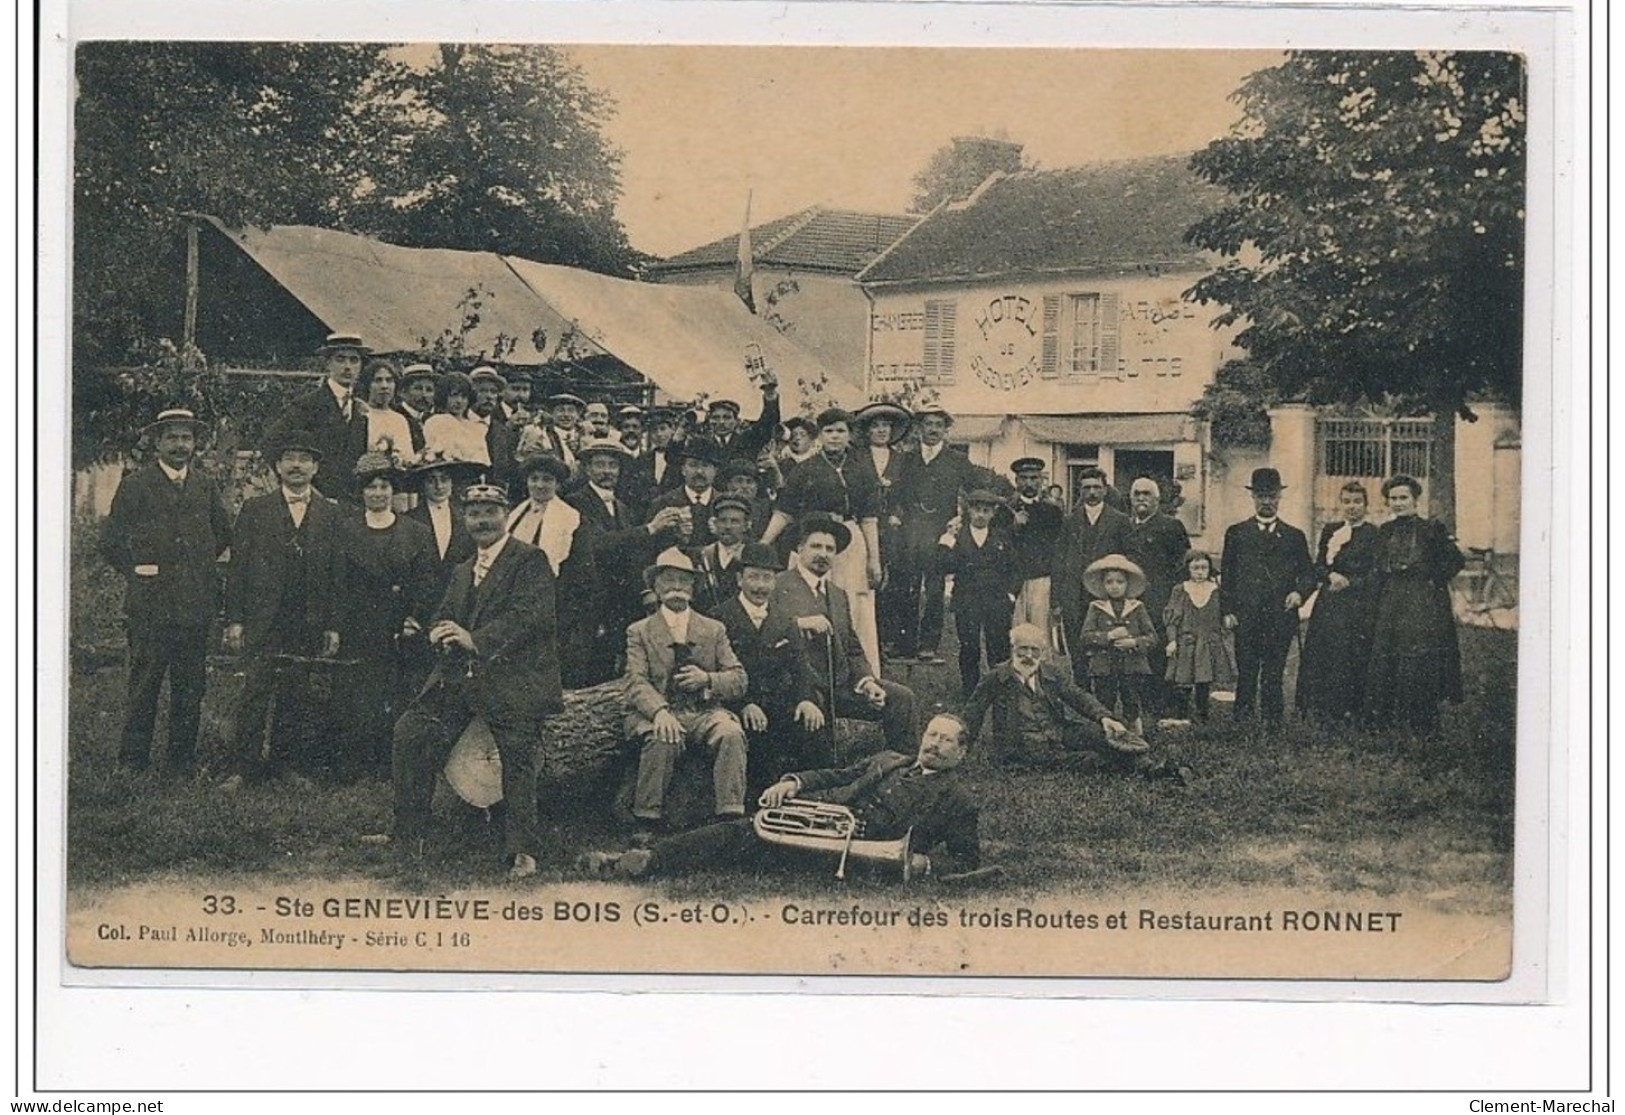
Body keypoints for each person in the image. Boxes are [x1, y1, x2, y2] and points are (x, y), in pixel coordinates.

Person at [368, 479, 563, 879]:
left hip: (513, 678)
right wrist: (436, 630)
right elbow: (445, 612)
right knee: (410, 731)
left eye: (491, 512)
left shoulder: (529, 560)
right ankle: (409, 832)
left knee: (517, 752)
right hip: (462, 680)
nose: (482, 521)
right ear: (464, 518)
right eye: (474, 513)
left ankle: (523, 849)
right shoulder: (461, 570)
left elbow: (529, 619)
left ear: (506, 515)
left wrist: (475, 639)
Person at [578, 713, 980, 881]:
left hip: (858, 854)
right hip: (827, 829)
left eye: (946, 741)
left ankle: (645, 861)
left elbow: (966, 860)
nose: (935, 744)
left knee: (748, 842)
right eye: (932, 735)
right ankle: (645, 860)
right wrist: (795, 784)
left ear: (961, 753)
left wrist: (923, 862)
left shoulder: (958, 798)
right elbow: (837, 775)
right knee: (746, 833)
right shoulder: (891, 758)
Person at [99, 407, 232, 775]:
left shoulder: (205, 486)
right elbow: (110, 541)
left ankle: (181, 761)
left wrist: (197, 566)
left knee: (190, 687)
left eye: (186, 438)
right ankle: (132, 760)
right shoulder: (136, 485)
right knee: (145, 682)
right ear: (157, 442)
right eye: (171, 437)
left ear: (195, 444)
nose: (179, 445)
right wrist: (138, 570)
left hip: (194, 605)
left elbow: (222, 533)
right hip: (150, 605)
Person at [220, 430, 345, 787]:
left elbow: (337, 573)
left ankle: (286, 764)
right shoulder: (256, 509)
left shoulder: (330, 514)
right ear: (277, 466)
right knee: (255, 690)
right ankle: (242, 767)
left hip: (307, 618)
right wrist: (236, 620)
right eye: (289, 458)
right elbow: (239, 567)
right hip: (263, 617)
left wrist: (332, 625)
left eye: (304, 459)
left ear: (316, 467)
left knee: (297, 692)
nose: (296, 465)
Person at [761, 516, 917, 762]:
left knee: (900, 698)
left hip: (840, 688)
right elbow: (760, 632)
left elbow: (852, 647)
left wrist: (866, 682)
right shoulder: (778, 586)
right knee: (821, 756)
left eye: (829, 549)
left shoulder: (837, 594)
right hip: (797, 689)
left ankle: (902, 768)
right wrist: (797, 624)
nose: (823, 554)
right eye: (816, 546)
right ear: (799, 549)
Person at [961, 624, 1187, 786]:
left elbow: (1077, 696)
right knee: (1092, 760)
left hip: (1059, 733)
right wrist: (957, 751)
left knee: (1104, 734)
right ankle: (1153, 772)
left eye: (1034, 650)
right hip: (1025, 749)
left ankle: (1152, 766)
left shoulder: (1050, 673)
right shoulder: (996, 678)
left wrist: (1104, 717)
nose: (1028, 656)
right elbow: (973, 714)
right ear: (1012, 649)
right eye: (1023, 649)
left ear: (1042, 653)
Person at [623, 548, 750, 832]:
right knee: (662, 738)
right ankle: (646, 820)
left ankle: (729, 819)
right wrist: (660, 712)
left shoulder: (713, 629)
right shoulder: (639, 631)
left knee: (730, 733)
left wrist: (707, 679)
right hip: (658, 713)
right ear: (655, 587)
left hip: (704, 712)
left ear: (693, 588)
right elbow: (636, 681)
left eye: (684, 581)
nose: (677, 588)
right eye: (668, 580)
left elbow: (739, 678)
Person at [334, 451, 439, 780]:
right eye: (371, 487)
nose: (378, 493)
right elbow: (336, 580)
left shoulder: (415, 532)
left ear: (393, 491)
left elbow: (427, 582)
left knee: (396, 693)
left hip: (399, 628)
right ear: (361, 492)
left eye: (384, 486)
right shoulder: (346, 530)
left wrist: (415, 618)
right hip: (359, 625)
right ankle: (354, 764)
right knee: (358, 694)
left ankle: (390, 765)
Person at [764, 408, 884, 677]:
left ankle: (860, 675)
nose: (834, 436)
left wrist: (874, 560)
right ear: (820, 436)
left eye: (840, 431)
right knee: (810, 599)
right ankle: (813, 672)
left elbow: (869, 518)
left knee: (853, 605)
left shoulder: (862, 470)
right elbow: (784, 512)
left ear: (849, 435)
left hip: (851, 543)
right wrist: (763, 543)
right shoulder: (805, 469)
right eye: (829, 431)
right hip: (813, 540)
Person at [567, 437, 685, 686]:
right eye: (600, 465)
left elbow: (633, 555)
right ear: (587, 469)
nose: (607, 471)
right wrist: (650, 528)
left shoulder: (622, 507)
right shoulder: (576, 501)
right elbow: (598, 544)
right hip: (589, 602)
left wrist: (645, 591)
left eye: (613, 465)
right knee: (585, 667)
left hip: (619, 602)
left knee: (614, 664)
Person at [710, 542, 824, 794]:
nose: (760, 586)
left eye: (767, 578)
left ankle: (807, 798)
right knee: (755, 737)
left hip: (778, 703)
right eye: (753, 577)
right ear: (740, 579)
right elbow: (716, 672)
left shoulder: (784, 619)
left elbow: (800, 666)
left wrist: (806, 699)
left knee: (813, 722)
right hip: (738, 703)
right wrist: (744, 704)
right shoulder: (719, 618)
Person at [1363, 475, 1465, 732]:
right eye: (1393, 499)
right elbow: (1377, 566)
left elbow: (1455, 561)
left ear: (1415, 500)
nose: (1398, 503)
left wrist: (1432, 579)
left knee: (1418, 656)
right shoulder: (1384, 531)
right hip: (1392, 598)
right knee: (1388, 653)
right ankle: (1386, 718)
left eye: (1403, 498)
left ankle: (1421, 719)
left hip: (1420, 600)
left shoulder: (1431, 529)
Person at [1219, 467, 1316, 727]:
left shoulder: (1294, 536)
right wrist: (1227, 610)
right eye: (1261, 496)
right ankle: (1243, 720)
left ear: (1279, 498)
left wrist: (1299, 593)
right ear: (1253, 498)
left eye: (1272, 496)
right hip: (1246, 616)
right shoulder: (1237, 533)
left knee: (1274, 672)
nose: (1267, 501)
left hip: (1280, 616)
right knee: (1247, 670)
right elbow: (1226, 576)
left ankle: (1273, 722)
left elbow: (1308, 573)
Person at [891, 407, 984, 664]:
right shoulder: (905, 460)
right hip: (909, 531)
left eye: (938, 425)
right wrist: (895, 514)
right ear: (919, 428)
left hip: (940, 533)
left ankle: (929, 644)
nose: (932, 429)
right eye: (928, 424)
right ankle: (905, 642)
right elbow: (894, 494)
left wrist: (962, 518)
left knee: (934, 588)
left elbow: (976, 492)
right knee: (906, 586)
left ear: (946, 430)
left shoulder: (957, 461)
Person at [1296, 481, 1383, 722]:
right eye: (1346, 501)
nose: (1351, 507)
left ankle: (1350, 709)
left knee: (1352, 653)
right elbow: (1319, 565)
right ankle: (1321, 707)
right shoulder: (1331, 529)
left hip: (1358, 604)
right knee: (1325, 651)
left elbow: (1375, 572)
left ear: (1366, 505)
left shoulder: (1373, 534)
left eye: (1357, 502)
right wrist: (1330, 575)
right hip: (1330, 602)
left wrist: (1351, 582)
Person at [264, 332, 372, 503]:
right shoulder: (309, 404)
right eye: (340, 359)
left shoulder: (361, 408)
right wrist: (304, 488)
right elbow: (271, 441)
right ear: (327, 363)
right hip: (318, 502)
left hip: (353, 503)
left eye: (354, 360)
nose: (347, 366)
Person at [937, 488, 1022, 698]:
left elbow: (1016, 568)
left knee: (999, 646)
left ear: (993, 513)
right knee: (969, 647)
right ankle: (971, 691)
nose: (980, 515)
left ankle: (1000, 688)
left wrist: (1011, 594)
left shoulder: (1001, 537)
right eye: (976, 510)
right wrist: (947, 539)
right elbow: (943, 566)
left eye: (986, 510)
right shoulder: (958, 536)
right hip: (967, 600)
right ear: (969, 511)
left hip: (996, 601)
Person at [1052, 466, 1131, 683]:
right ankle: (1082, 696)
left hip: (1106, 593)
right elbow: (1059, 561)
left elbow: (1128, 559)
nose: (1092, 492)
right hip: (1074, 595)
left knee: (1107, 646)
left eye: (1097, 487)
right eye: (1087, 488)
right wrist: (1056, 600)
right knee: (1078, 648)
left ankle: (1104, 698)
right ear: (1080, 491)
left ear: (1105, 490)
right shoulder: (1069, 521)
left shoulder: (1120, 520)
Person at [1121, 476, 1191, 713]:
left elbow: (1182, 566)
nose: (1141, 498)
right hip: (1131, 600)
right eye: (1137, 494)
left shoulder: (1171, 526)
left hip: (1160, 599)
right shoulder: (1125, 527)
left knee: (1160, 651)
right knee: (1135, 650)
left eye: (1146, 494)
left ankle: (1163, 703)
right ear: (1130, 498)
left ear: (1158, 499)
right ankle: (1140, 701)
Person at [853, 402, 915, 657]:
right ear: (868, 431)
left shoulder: (902, 460)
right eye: (876, 426)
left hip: (891, 530)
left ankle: (886, 638)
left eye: (886, 426)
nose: (881, 431)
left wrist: (897, 515)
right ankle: (859, 635)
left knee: (890, 582)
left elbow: (908, 495)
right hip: (862, 525)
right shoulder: (856, 457)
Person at [1079, 554, 1158, 733]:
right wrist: (1108, 636)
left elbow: (1152, 637)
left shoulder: (1137, 607)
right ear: (1103, 584)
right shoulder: (1096, 607)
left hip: (1131, 665)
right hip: (1104, 665)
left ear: (1127, 584)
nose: (1114, 586)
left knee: (1131, 700)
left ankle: (1136, 736)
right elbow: (1085, 637)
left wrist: (1134, 642)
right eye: (1109, 582)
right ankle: (1105, 734)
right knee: (1104, 700)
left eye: (1120, 582)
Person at [1162, 550, 1236, 722]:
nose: (1200, 572)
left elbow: (1224, 613)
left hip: (1209, 641)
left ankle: (1202, 716)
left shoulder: (1216, 590)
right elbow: (1172, 619)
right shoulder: (1180, 590)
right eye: (1195, 568)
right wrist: (1172, 640)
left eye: (1204, 568)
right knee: (1183, 680)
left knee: (1204, 679)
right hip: (1187, 640)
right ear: (1188, 569)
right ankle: (1182, 715)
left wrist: (1227, 617)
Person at [404, 450, 480, 598]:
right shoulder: (410, 520)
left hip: (457, 599)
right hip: (420, 603)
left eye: (444, 479)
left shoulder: (466, 517)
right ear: (423, 485)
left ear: (452, 482)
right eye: (432, 480)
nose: (439, 486)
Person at [1006, 457, 1064, 641]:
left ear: (1041, 480)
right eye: (1024, 478)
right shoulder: (1005, 510)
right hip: (1013, 580)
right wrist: (1014, 527)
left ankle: (1042, 671)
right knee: (1016, 634)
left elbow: (1058, 548)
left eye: (1033, 478)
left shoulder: (1052, 511)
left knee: (1041, 635)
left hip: (1041, 579)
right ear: (1016, 481)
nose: (1029, 483)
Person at [647, 438, 724, 551]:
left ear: (715, 471)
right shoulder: (663, 503)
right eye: (693, 465)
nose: (699, 471)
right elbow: (650, 546)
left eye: (705, 465)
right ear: (683, 469)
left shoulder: (725, 503)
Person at [690, 493, 754, 616]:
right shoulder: (701, 556)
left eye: (735, 521)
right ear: (715, 524)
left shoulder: (753, 556)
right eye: (723, 521)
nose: (728, 527)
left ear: (746, 526)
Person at [703, 372, 781, 466]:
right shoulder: (701, 444)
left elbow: (768, 423)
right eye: (716, 417)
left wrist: (770, 392)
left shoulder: (747, 441)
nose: (721, 422)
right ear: (709, 420)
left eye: (727, 417)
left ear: (736, 421)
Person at [421, 372, 491, 468]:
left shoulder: (477, 427)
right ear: (444, 397)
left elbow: (484, 459)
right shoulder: (437, 422)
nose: (459, 401)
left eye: (464, 397)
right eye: (453, 395)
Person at [354, 359, 415, 461]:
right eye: (378, 380)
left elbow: (408, 457)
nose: (384, 386)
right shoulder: (360, 415)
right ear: (367, 385)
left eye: (389, 380)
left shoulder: (399, 420)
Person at [469, 367, 520, 489]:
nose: (489, 396)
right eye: (482, 391)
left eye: (493, 392)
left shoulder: (503, 431)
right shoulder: (458, 425)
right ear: (471, 394)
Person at [395, 364, 438, 453]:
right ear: (403, 392)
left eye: (429, 390)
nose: (424, 395)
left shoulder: (433, 419)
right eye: (418, 389)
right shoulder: (395, 417)